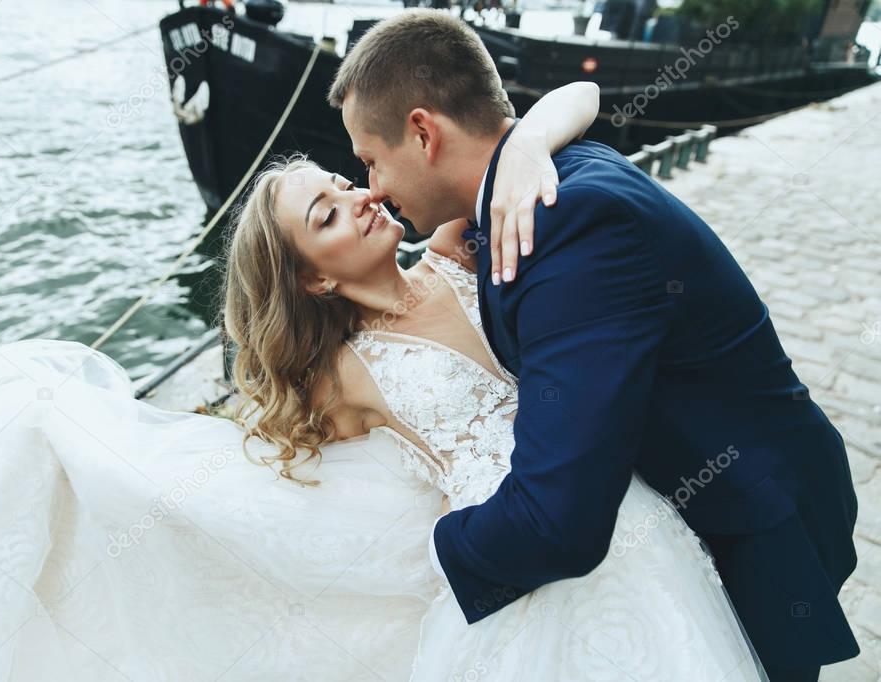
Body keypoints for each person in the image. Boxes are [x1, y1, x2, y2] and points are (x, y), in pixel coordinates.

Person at [0, 84, 597, 681]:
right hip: (511, 573)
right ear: (311, 276)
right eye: (328, 214)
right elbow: (247, 498)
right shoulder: (343, 375)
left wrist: (526, 142)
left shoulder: (456, 251)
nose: (363, 200)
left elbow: (578, 97)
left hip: (591, 499)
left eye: (347, 184)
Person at [327, 9, 860, 681]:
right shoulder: (542, 174)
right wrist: (531, 136)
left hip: (754, 524)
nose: (373, 188)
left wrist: (429, 554)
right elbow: (579, 102)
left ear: (423, 131)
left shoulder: (568, 226)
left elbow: (559, 523)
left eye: (370, 161)